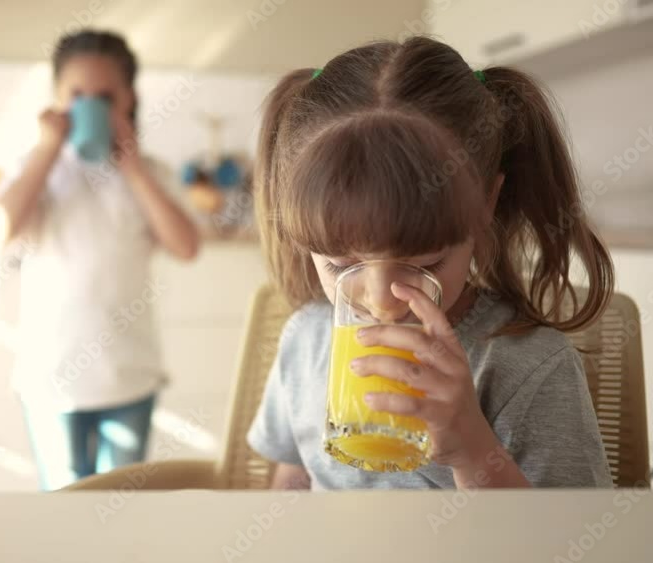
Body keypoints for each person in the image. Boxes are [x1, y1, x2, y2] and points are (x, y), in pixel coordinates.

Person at [248, 37, 614, 490]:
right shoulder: (305, 340)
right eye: (341, 265)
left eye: (426, 262)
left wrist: (472, 450)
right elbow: (291, 480)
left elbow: (572, 528)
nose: (383, 302)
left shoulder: (529, 367)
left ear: (487, 203)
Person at [0, 30, 200, 490]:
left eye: (105, 97)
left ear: (129, 100)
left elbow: (186, 246)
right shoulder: (37, 168)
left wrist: (132, 167)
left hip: (130, 377)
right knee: (63, 501)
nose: (91, 106)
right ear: (57, 100)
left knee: (121, 501)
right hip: (51, 381)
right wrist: (47, 150)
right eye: (77, 95)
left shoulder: (150, 173)